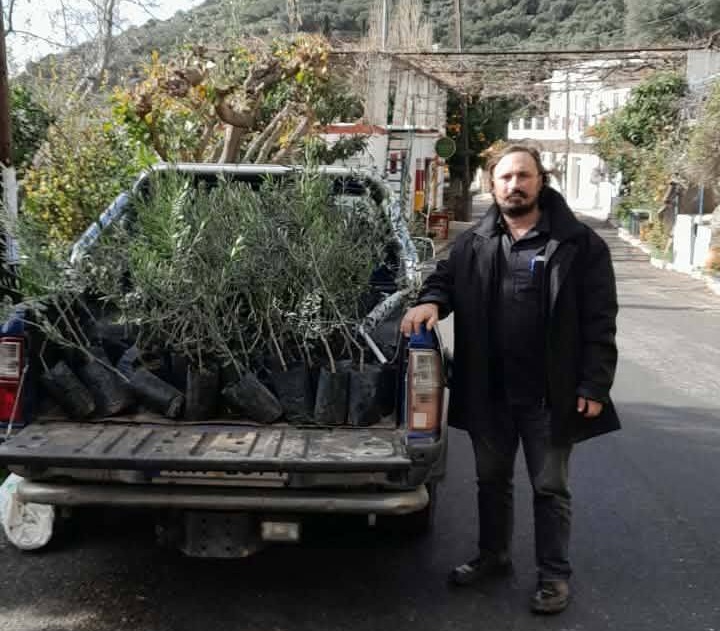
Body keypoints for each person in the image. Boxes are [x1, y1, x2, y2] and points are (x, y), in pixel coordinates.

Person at [400, 144, 620, 615]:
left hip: (549, 394)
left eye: (523, 175)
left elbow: (600, 320)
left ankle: (554, 576)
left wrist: (594, 384)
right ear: (492, 184)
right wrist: (430, 302)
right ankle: (493, 556)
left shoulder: (579, 245)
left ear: (541, 180)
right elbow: (444, 280)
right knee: (491, 481)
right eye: (505, 177)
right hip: (489, 390)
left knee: (550, 487)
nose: (514, 185)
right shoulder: (475, 242)